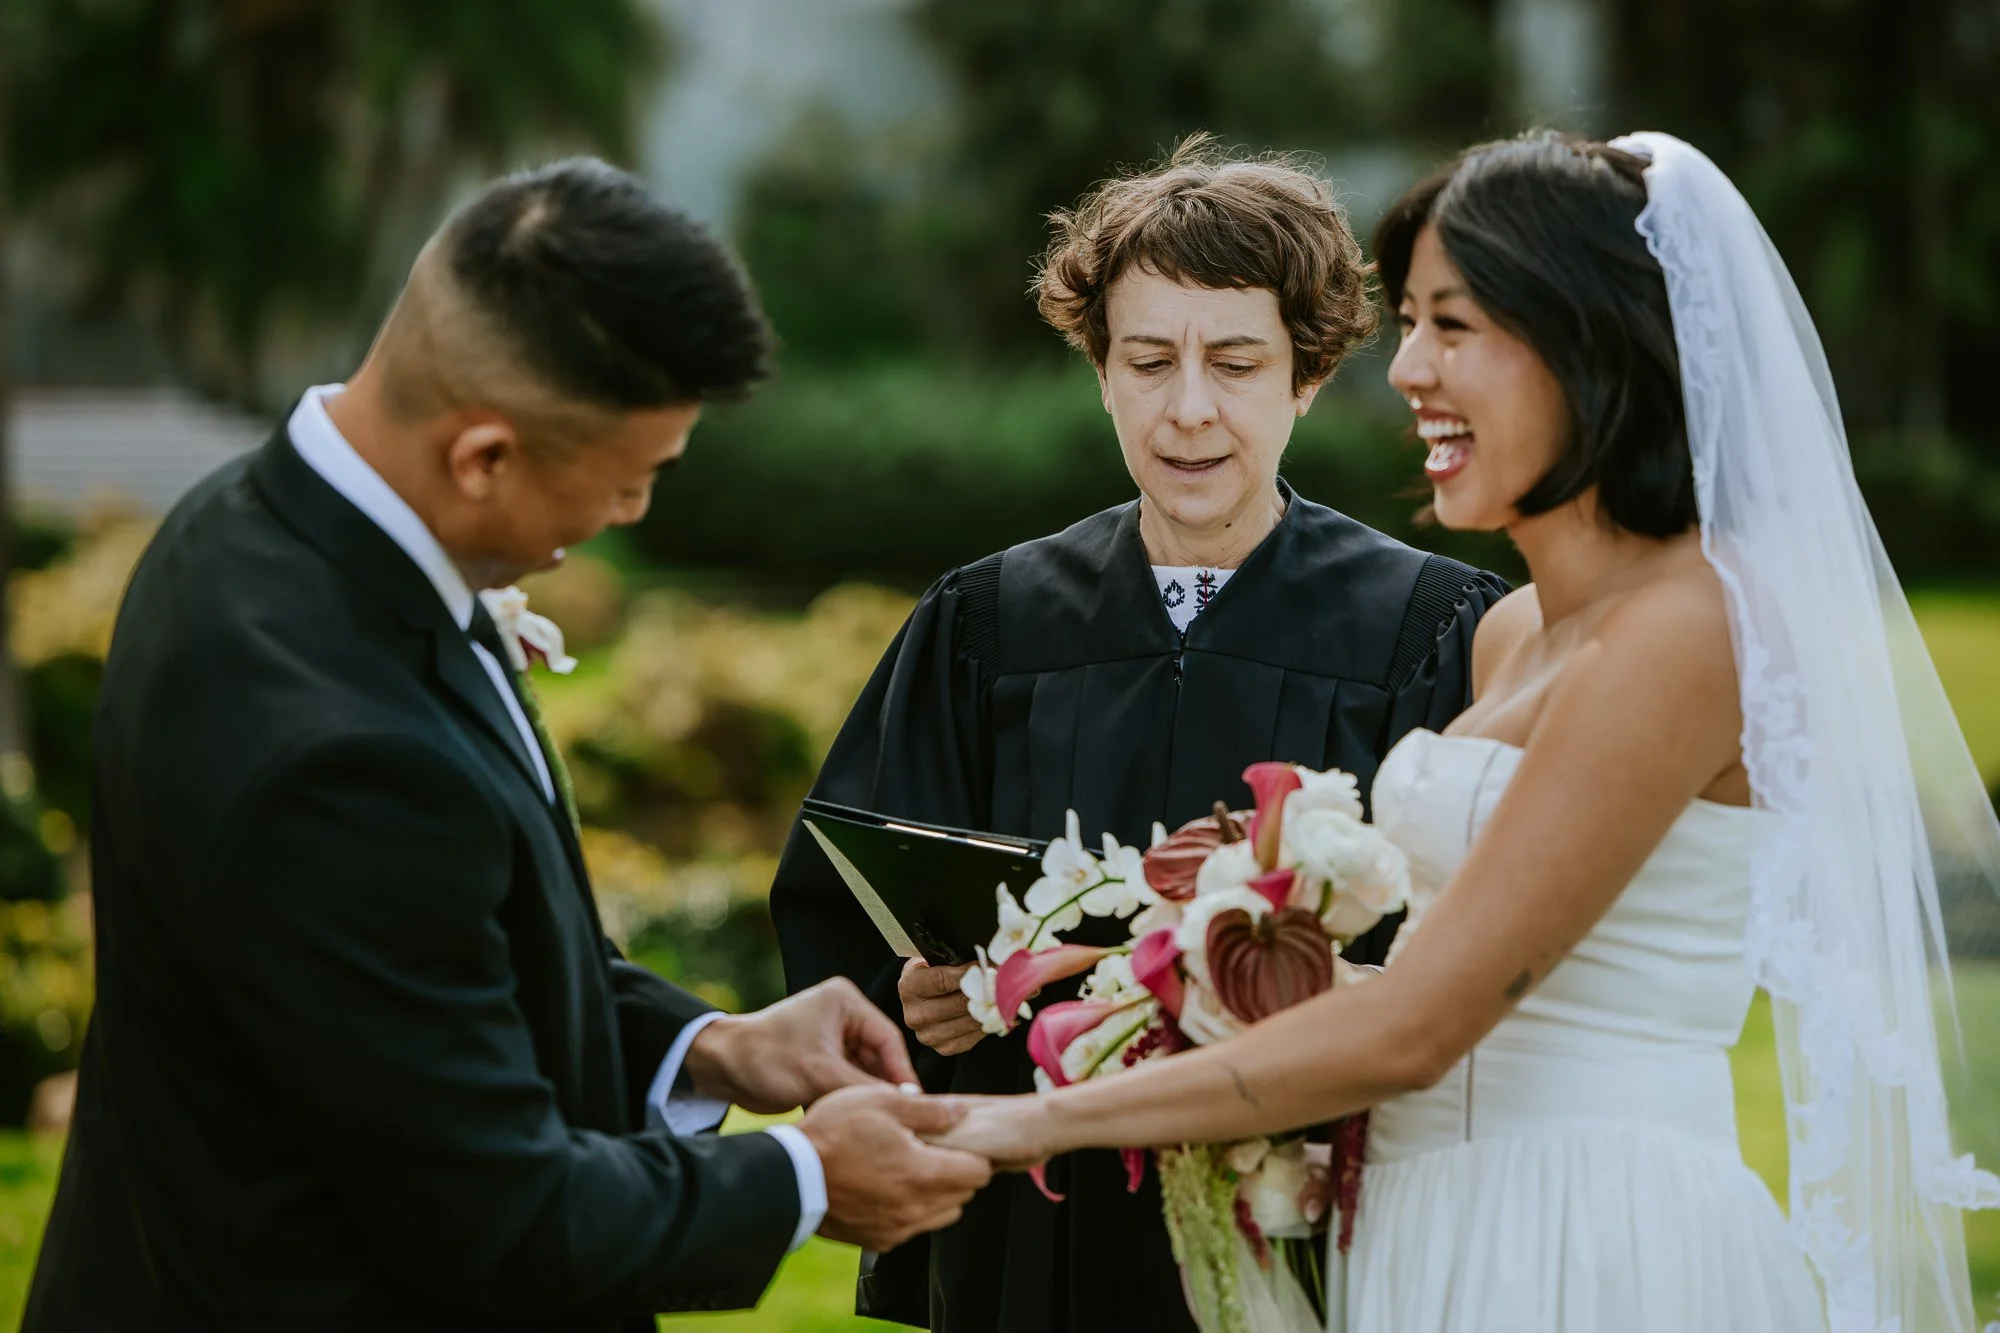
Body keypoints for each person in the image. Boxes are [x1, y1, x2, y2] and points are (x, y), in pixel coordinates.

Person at [935, 130, 2000, 1333]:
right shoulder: (1507, 636)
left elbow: (1422, 1023)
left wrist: (1021, 1121)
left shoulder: (1691, 629)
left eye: (1454, 325)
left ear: (1583, 345)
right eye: (1414, 325)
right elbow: (1451, 963)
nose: (1405, 370)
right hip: (1423, 1225)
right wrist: (1166, 978)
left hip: (1581, 1239)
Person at [24, 159, 993, 1332]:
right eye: (630, 483)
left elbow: (433, 966)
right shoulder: (334, 760)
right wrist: (803, 1178)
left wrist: (712, 1046)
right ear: (482, 457)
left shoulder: (249, 524)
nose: (630, 518)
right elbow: (504, 1216)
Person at [770, 136, 1509, 1331]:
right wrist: (909, 994)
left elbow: (1472, 949)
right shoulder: (988, 624)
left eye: (1234, 361)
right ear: (1099, 369)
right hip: (1032, 1228)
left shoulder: (1422, 631)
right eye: (1147, 359)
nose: (1189, 409)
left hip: (1297, 1212)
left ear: (1307, 375)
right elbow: (843, 902)